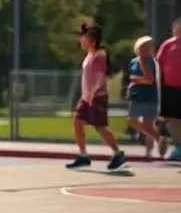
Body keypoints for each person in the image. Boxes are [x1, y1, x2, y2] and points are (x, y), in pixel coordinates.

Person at [67, 22, 126, 171]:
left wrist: (93, 93)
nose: (81, 40)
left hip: (96, 97)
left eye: (83, 37)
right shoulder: (89, 55)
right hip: (86, 97)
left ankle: (118, 153)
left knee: (100, 127)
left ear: (92, 39)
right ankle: (83, 155)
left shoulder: (100, 55)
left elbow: (100, 77)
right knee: (77, 122)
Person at [126, 36, 164, 158]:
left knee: (148, 125)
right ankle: (157, 138)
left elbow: (149, 80)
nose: (144, 49)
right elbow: (131, 77)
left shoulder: (149, 62)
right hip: (137, 96)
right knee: (133, 120)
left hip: (149, 97)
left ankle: (152, 147)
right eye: (142, 47)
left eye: (147, 47)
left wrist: (135, 80)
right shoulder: (133, 61)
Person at [155, 17, 181, 160]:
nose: (180, 31)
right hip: (170, 88)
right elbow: (158, 65)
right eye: (177, 28)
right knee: (171, 119)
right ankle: (179, 146)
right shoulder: (167, 45)